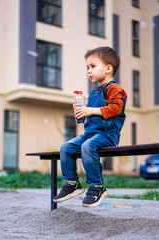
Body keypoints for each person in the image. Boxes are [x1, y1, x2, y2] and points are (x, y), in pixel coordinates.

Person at [53, 46, 127, 207]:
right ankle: (72, 184)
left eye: (93, 66)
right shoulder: (94, 92)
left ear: (108, 68)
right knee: (66, 147)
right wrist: (83, 113)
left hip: (107, 134)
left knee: (87, 146)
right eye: (88, 67)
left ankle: (97, 186)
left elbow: (116, 109)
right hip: (91, 133)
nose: (89, 71)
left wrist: (89, 109)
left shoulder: (115, 89)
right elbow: (95, 116)